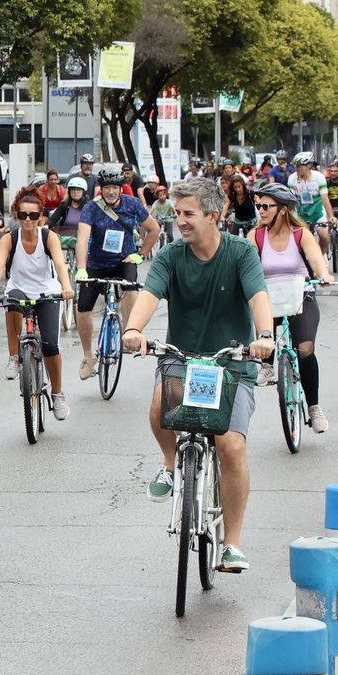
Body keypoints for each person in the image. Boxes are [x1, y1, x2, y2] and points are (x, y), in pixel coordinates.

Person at [121, 177, 275, 573]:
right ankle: (170, 464)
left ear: (214, 215)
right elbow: (150, 296)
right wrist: (134, 330)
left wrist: (264, 337)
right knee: (159, 408)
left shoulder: (241, 253)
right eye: (177, 213)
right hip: (181, 358)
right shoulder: (172, 256)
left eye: (189, 213)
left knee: (231, 447)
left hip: (232, 363)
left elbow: (259, 297)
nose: (181, 220)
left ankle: (233, 543)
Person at [251, 182, 336, 433]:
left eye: (266, 206)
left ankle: (314, 408)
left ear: (283, 210)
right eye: (258, 206)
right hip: (270, 298)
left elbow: (317, 261)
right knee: (263, 331)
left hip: (300, 296)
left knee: (305, 348)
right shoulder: (255, 236)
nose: (261, 211)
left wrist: (324, 275)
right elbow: (245, 265)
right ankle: (267, 365)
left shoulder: (301, 234)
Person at [0, 190, 74, 418]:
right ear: (16, 215)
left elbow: (61, 266)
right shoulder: (9, 239)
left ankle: (57, 393)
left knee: (51, 345)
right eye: (23, 215)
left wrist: (66, 287)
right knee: (11, 301)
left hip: (47, 292)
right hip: (20, 289)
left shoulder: (48, 237)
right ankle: (14, 356)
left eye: (33, 216)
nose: (27, 220)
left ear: (41, 216)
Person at [74, 169, 159, 380]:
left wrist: (140, 255)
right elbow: (82, 239)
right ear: (100, 189)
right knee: (83, 306)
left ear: (121, 189)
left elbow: (154, 229)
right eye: (106, 188)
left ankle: (129, 332)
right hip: (96, 262)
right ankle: (87, 357)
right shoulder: (91, 207)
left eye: (114, 188)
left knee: (131, 288)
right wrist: (82, 268)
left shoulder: (132, 204)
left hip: (124, 260)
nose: (110, 192)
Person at [288, 153, 336, 261]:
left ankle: (321, 255)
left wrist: (331, 216)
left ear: (308, 165)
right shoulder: (292, 179)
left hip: (318, 212)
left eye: (299, 166)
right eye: (295, 166)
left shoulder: (319, 177)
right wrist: (288, 217)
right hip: (301, 214)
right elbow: (290, 200)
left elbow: (324, 198)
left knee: (324, 236)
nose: (296, 168)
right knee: (298, 239)